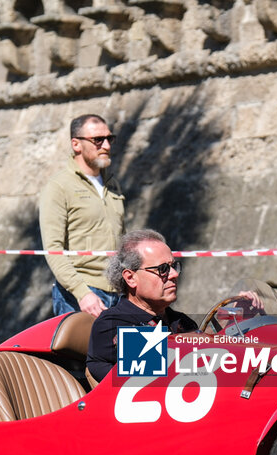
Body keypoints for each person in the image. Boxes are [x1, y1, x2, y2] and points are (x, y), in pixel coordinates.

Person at [39, 114, 125, 318]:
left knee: (139, 351)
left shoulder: (112, 184)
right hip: (82, 297)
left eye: (109, 139)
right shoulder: (58, 187)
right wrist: (82, 293)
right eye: (98, 140)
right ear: (76, 144)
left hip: (120, 292)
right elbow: (53, 251)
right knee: (88, 352)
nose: (106, 145)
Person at [87, 230, 197, 382]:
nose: (174, 274)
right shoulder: (116, 323)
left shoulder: (181, 322)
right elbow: (152, 384)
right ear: (131, 278)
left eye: (173, 266)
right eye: (163, 269)